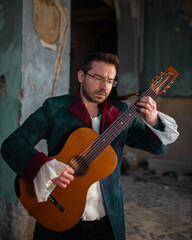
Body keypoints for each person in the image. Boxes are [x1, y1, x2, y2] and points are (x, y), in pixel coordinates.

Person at [1, 52, 179, 240]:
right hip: (58, 214)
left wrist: (153, 121)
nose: (104, 86)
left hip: (106, 218)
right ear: (81, 76)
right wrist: (44, 166)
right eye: (98, 78)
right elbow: (13, 144)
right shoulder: (55, 109)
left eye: (110, 81)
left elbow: (157, 148)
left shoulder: (121, 114)